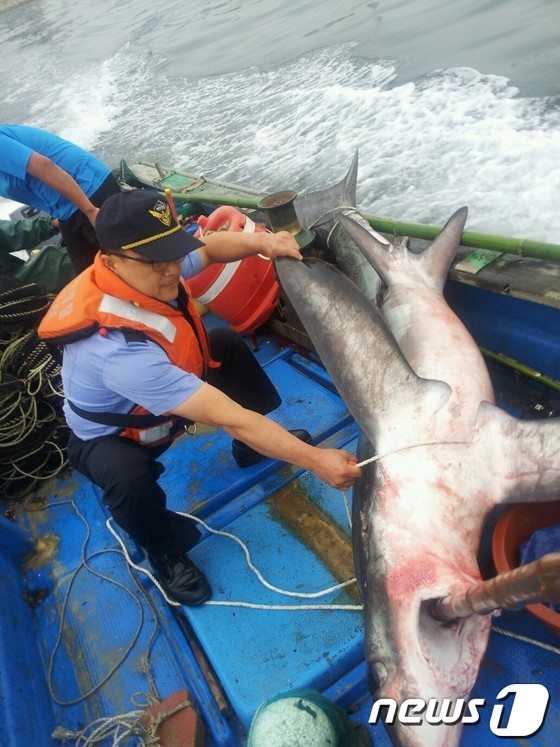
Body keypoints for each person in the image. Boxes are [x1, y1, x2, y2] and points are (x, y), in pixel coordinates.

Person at [38, 190, 362, 606]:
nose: (173, 268)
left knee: (223, 343)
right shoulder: (116, 351)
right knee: (127, 481)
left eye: (174, 253)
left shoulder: (146, 269)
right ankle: (164, 551)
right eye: (158, 261)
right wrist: (315, 460)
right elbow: (230, 416)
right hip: (119, 434)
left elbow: (208, 249)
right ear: (112, 259)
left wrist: (265, 242)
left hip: (168, 390)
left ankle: (250, 450)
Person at [0, 124, 120, 273]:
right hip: (66, 208)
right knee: (89, 273)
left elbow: (44, 166)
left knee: (117, 265)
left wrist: (90, 211)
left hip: (88, 190)